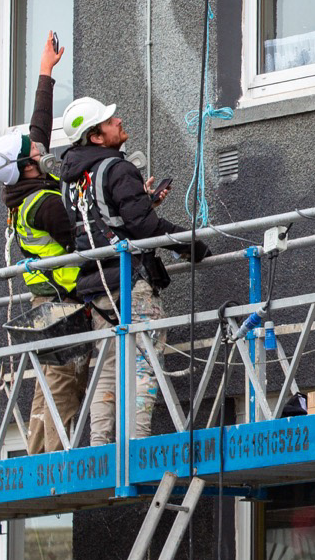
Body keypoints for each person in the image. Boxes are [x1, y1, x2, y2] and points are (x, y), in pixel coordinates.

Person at [59, 96, 210, 445]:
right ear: (96, 136)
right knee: (142, 364)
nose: (119, 122)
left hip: (97, 290)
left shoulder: (72, 181)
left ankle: (100, 448)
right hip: (131, 285)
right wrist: (191, 245)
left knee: (107, 368)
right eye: (110, 122)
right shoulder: (117, 168)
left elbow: (99, 224)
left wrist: (145, 204)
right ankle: (137, 446)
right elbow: (144, 229)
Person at [0, 31, 88, 453]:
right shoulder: (43, 203)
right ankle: (50, 457)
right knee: (62, 378)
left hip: (45, 299)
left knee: (50, 377)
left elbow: (37, 127)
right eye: (36, 150)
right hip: (60, 299)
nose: (42, 146)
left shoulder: (23, 187)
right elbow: (81, 235)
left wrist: (46, 71)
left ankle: (38, 449)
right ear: (28, 167)